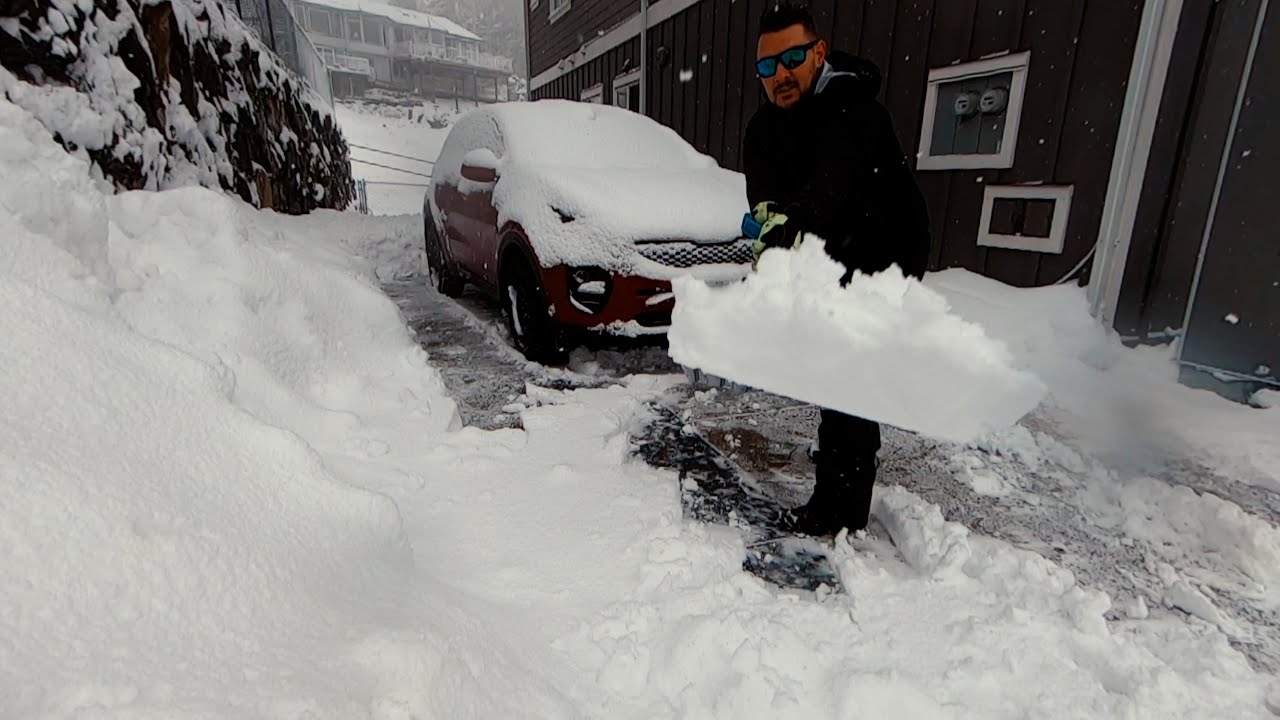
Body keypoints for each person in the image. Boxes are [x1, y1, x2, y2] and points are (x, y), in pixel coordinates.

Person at [742, 1, 931, 536]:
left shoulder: (857, 113)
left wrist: (795, 220)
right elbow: (767, 200)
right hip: (831, 253)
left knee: (849, 379)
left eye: (793, 57)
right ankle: (838, 469)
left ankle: (841, 511)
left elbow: (832, 183)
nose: (780, 74)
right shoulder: (764, 129)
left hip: (885, 255)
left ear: (818, 53)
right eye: (766, 66)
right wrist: (772, 235)